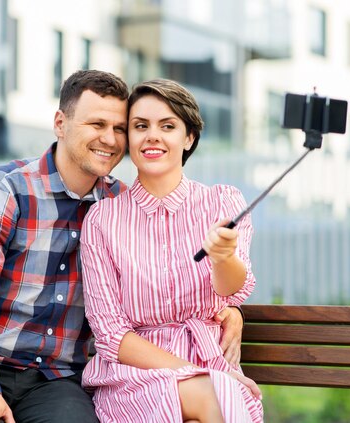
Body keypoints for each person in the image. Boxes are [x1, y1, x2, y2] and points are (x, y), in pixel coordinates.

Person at [0, 70, 245, 423]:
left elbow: (174, 278)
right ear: (60, 123)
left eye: (119, 128)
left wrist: (229, 309)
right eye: (96, 124)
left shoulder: (119, 206)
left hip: (54, 380)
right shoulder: (4, 190)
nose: (109, 139)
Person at [79, 79, 264, 423]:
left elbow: (232, 290)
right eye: (140, 126)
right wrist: (195, 373)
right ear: (128, 138)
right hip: (134, 376)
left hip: (208, 359)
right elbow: (110, 334)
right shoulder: (103, 219)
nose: (152, 136)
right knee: (219, 397)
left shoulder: (221, 202)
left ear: (188, 137)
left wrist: (224, 256)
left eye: (167, 126)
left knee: (219, 398)